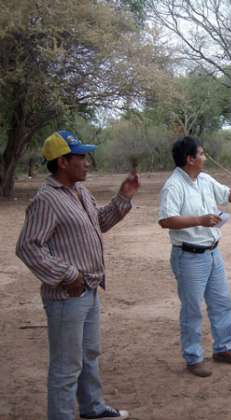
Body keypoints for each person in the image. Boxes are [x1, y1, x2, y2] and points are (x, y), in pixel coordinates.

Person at [16, 130, 139, 420]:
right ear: (62, 162)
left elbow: (99, 223)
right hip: (66, 296)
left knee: (88, 356)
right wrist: (67, 274)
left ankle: (92, 408)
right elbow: (28, 247)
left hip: (88, 290)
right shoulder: (46, 199)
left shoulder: (80, 192)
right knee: (66, 366)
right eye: (81, 157)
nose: (87, 163)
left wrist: (123, 197)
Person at [159, 135, 231, 377]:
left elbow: (225, 193)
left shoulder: (204, 179)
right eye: (201, 154)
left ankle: (223, 349)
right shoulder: (174, 185)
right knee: (192, 309)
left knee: (222, 303)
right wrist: (199, 220)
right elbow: (166, 220)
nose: (204, 158)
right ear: (189, 159)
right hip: (189, 256)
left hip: (213, 253)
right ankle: (193, 357)